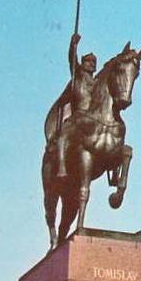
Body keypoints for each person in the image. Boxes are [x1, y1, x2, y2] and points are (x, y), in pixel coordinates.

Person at [54, 33, 98, 178]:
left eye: (93, 62)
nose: (91, 64)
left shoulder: (97, 84)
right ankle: (61, 166)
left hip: (94, 119)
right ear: (83, 63)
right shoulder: (78, 76)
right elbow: (72, 59)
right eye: (88, 61)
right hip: (78, 115)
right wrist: (73, 45)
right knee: (63, 136)